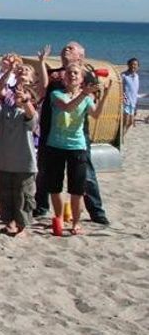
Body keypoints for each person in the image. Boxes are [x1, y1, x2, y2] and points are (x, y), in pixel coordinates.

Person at [43, 62, 112, 235]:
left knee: (77, 189)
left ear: (81, 79)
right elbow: (67, 107)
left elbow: (95, 114)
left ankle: (75, 222)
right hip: (56, 145)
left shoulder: (86, 97)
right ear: (64, 78)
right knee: (55, 186)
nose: (72, 75)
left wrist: (104, 96)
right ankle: (58, 217)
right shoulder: (56, 94)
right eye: (69, 73)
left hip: (77, 146)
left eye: (75, 73)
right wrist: (84, 93)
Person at [0, 86, 38, 237]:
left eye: (25, 93)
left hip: (25, 165)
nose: (19, 95)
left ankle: (21, 227)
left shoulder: (29, 113)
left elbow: (31, 117)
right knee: (6, 195)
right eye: (17, 94)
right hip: (5, 163)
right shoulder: (5, 111)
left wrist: (26, 101)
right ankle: (9, 222)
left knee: (23, 196)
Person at [122, 58, 140, 134]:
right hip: (125, 102)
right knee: (125, 121)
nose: (133, 66)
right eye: (131, 64)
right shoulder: (124, 75)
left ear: (138, 67)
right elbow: (120, 88)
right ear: (128, 65)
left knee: (130, 122)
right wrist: (123, 98)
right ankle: (120, 137)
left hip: (133, 102)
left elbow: (135, 92)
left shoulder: (137, 76)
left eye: (135, 64)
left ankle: (122, 135)